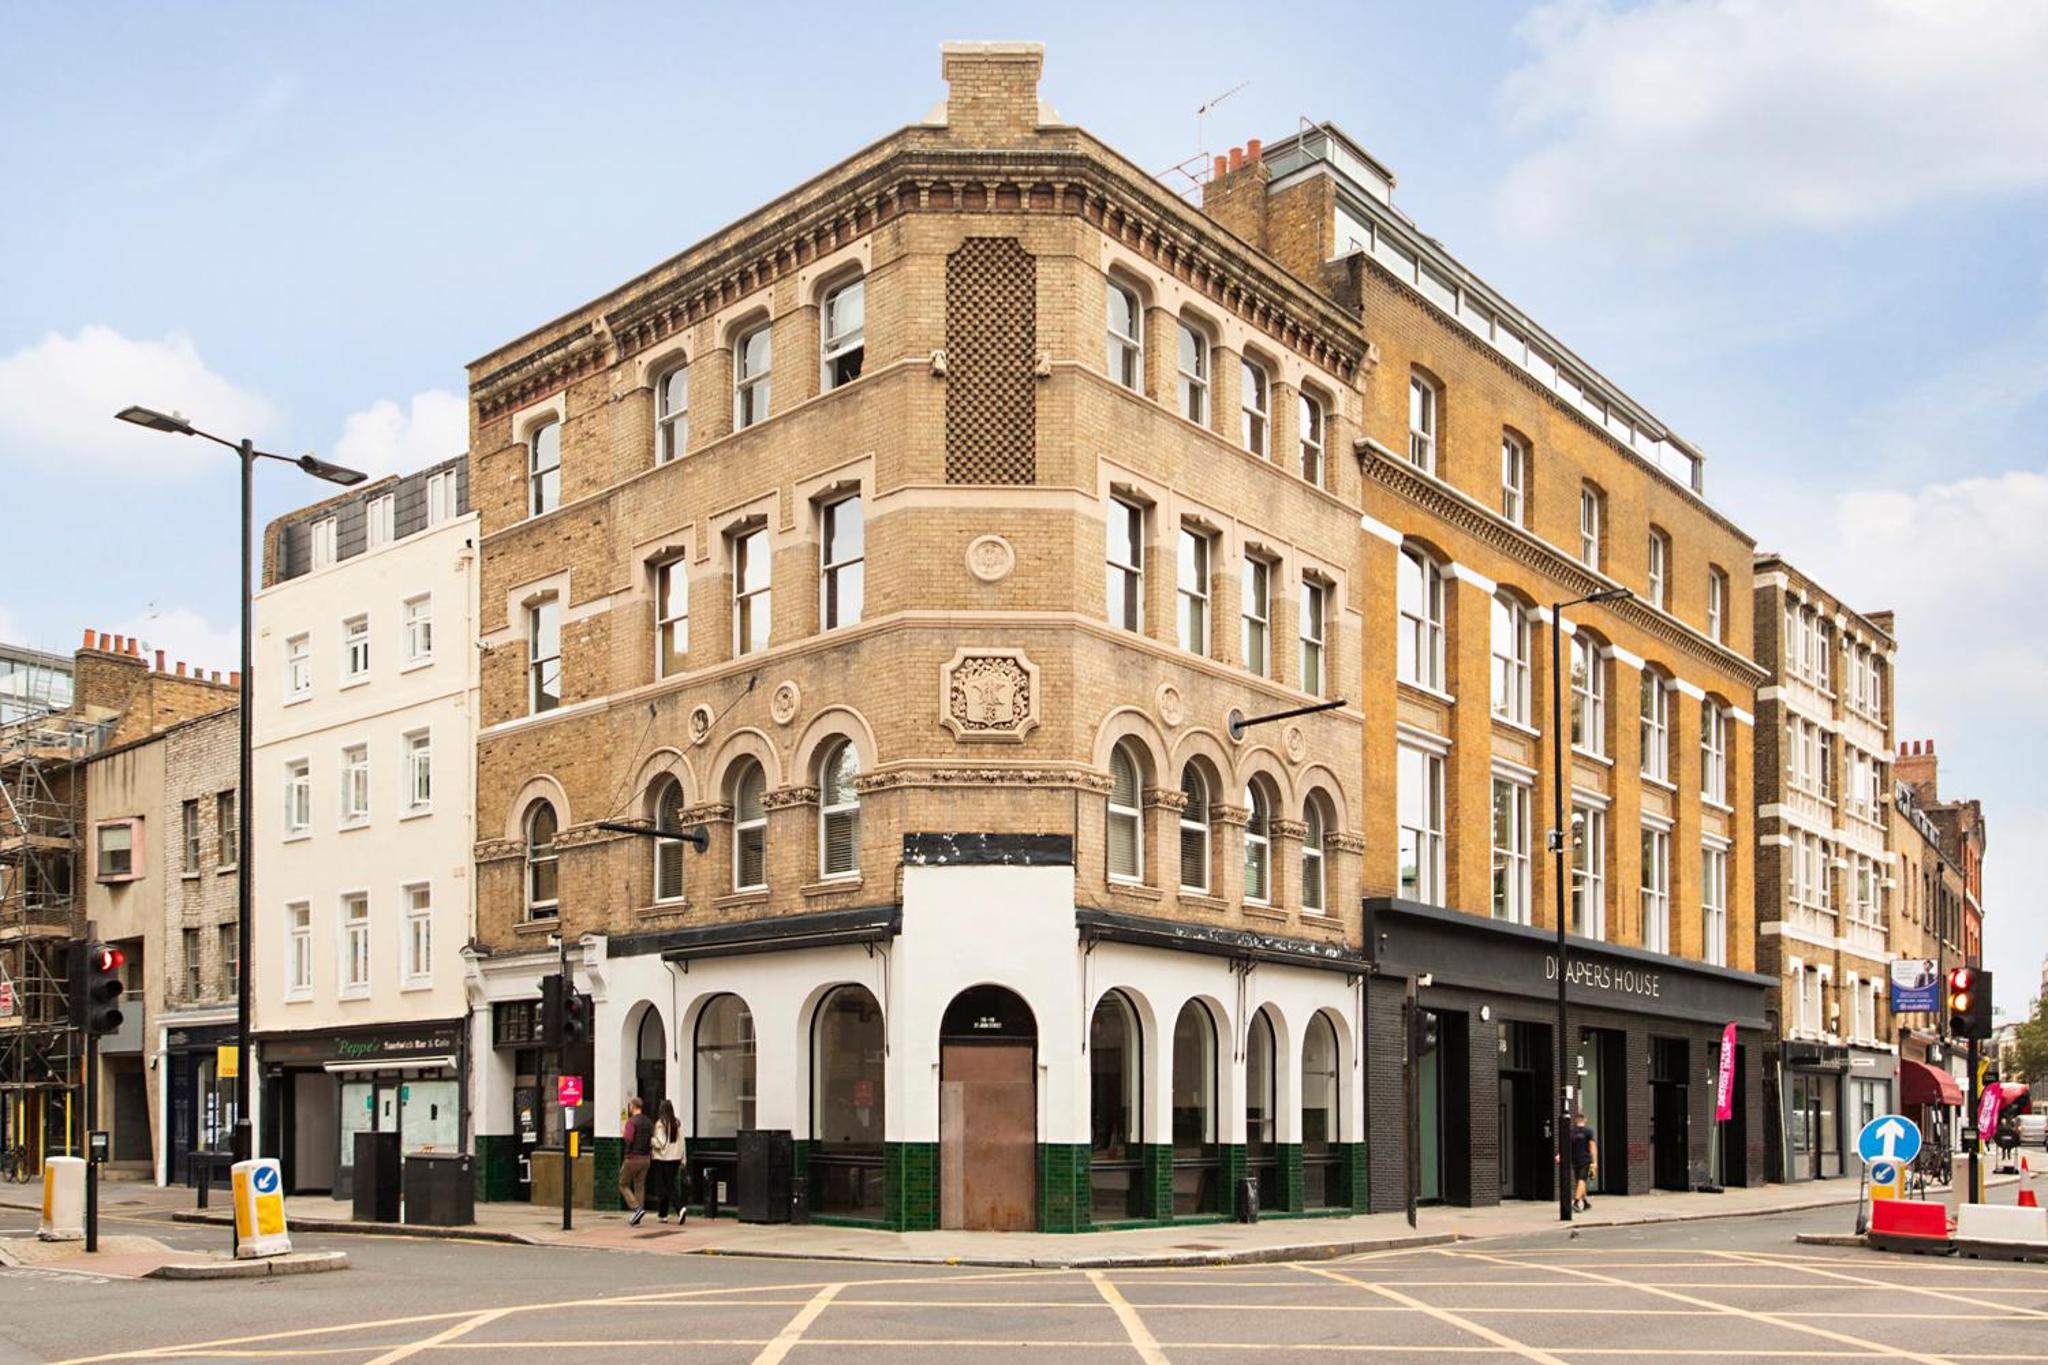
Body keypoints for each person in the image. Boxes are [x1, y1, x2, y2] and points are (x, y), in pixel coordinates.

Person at [650, 1099, 686, 1225]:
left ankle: (679, 1208)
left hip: (663, 1159)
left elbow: (660, 1142)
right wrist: (683, 1158)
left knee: (666, 1186)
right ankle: (663, 1214)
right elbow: (682, 1142)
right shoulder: (677, 1123)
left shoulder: (661, 1123)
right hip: (676, 1159)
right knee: (667, 1184)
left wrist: (651, 1140)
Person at [619, 1096, 652, 1225]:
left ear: (632, 1106)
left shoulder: (631, 1122)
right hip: (646, 1158)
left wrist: (623, 1133)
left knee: (623, 1184)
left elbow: (629, 1138)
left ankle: (636, 1208)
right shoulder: (648, 1121)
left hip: (633, 1158)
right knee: (639, 1186)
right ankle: (639, 1213)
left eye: (630, 1106)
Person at [1571, 1109, 1598, 1212]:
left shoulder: (1571, 1131)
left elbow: (1566, 1145)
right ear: (1585, 1120)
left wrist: (1560, 1155)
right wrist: (1594, 1162)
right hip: (1585, 1160)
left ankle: (1585, 1203)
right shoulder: (1588, 1131)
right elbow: (1592, 1147)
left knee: (1579, 1181)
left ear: (1576, 1120)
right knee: (1582, 1180)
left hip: (1574, 1160)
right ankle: (1576, 1202)